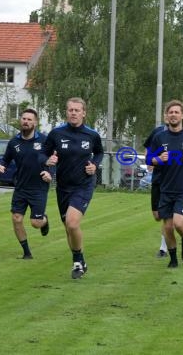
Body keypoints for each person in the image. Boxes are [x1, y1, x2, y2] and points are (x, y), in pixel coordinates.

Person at [42, 97, 104, 278]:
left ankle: (77, 262)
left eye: (77, 110)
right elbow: (43, 154)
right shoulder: (56, 134)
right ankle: (80, 260)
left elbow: (99, 152)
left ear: (84, 113)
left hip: (84, 185)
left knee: (72, 222)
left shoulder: (92, 135)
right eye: (71, 110)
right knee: (68, 228)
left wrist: (94, 165)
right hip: (63, 186)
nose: (74, 113)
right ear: (66, 112)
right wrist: (47, 161)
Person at [147, 100, 183, 268]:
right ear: (167, 116)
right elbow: (150, 158)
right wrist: (158, 159)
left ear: (182, 116)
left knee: (178, 223)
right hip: (165, 188)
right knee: (167, 227)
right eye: (170, 112)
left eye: (176, 112)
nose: (173, 115)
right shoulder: (159, 137)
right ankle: (173, 259)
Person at [0, 108, 52, 259]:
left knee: (35, 223)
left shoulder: (44, 141)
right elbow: (5, 159)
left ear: (35, 122)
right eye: (24, 119)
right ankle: (27, 253)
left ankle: (44, 221)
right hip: (20, 187)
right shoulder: (14, 142)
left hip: (39, 187)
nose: (26, 122)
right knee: (16, 219)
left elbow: (56, 159)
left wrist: (50, 173)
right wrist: (1, 165)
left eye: (29, 119)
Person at [143, 113, 169, 258]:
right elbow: (147, 147)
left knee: (166, 215)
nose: (170, 115)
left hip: (173, 179)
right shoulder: (157, 132)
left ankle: (163, 248)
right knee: (157, 215)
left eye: (175, 112)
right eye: (168, 112)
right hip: (158, 178)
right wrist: (152, 161)